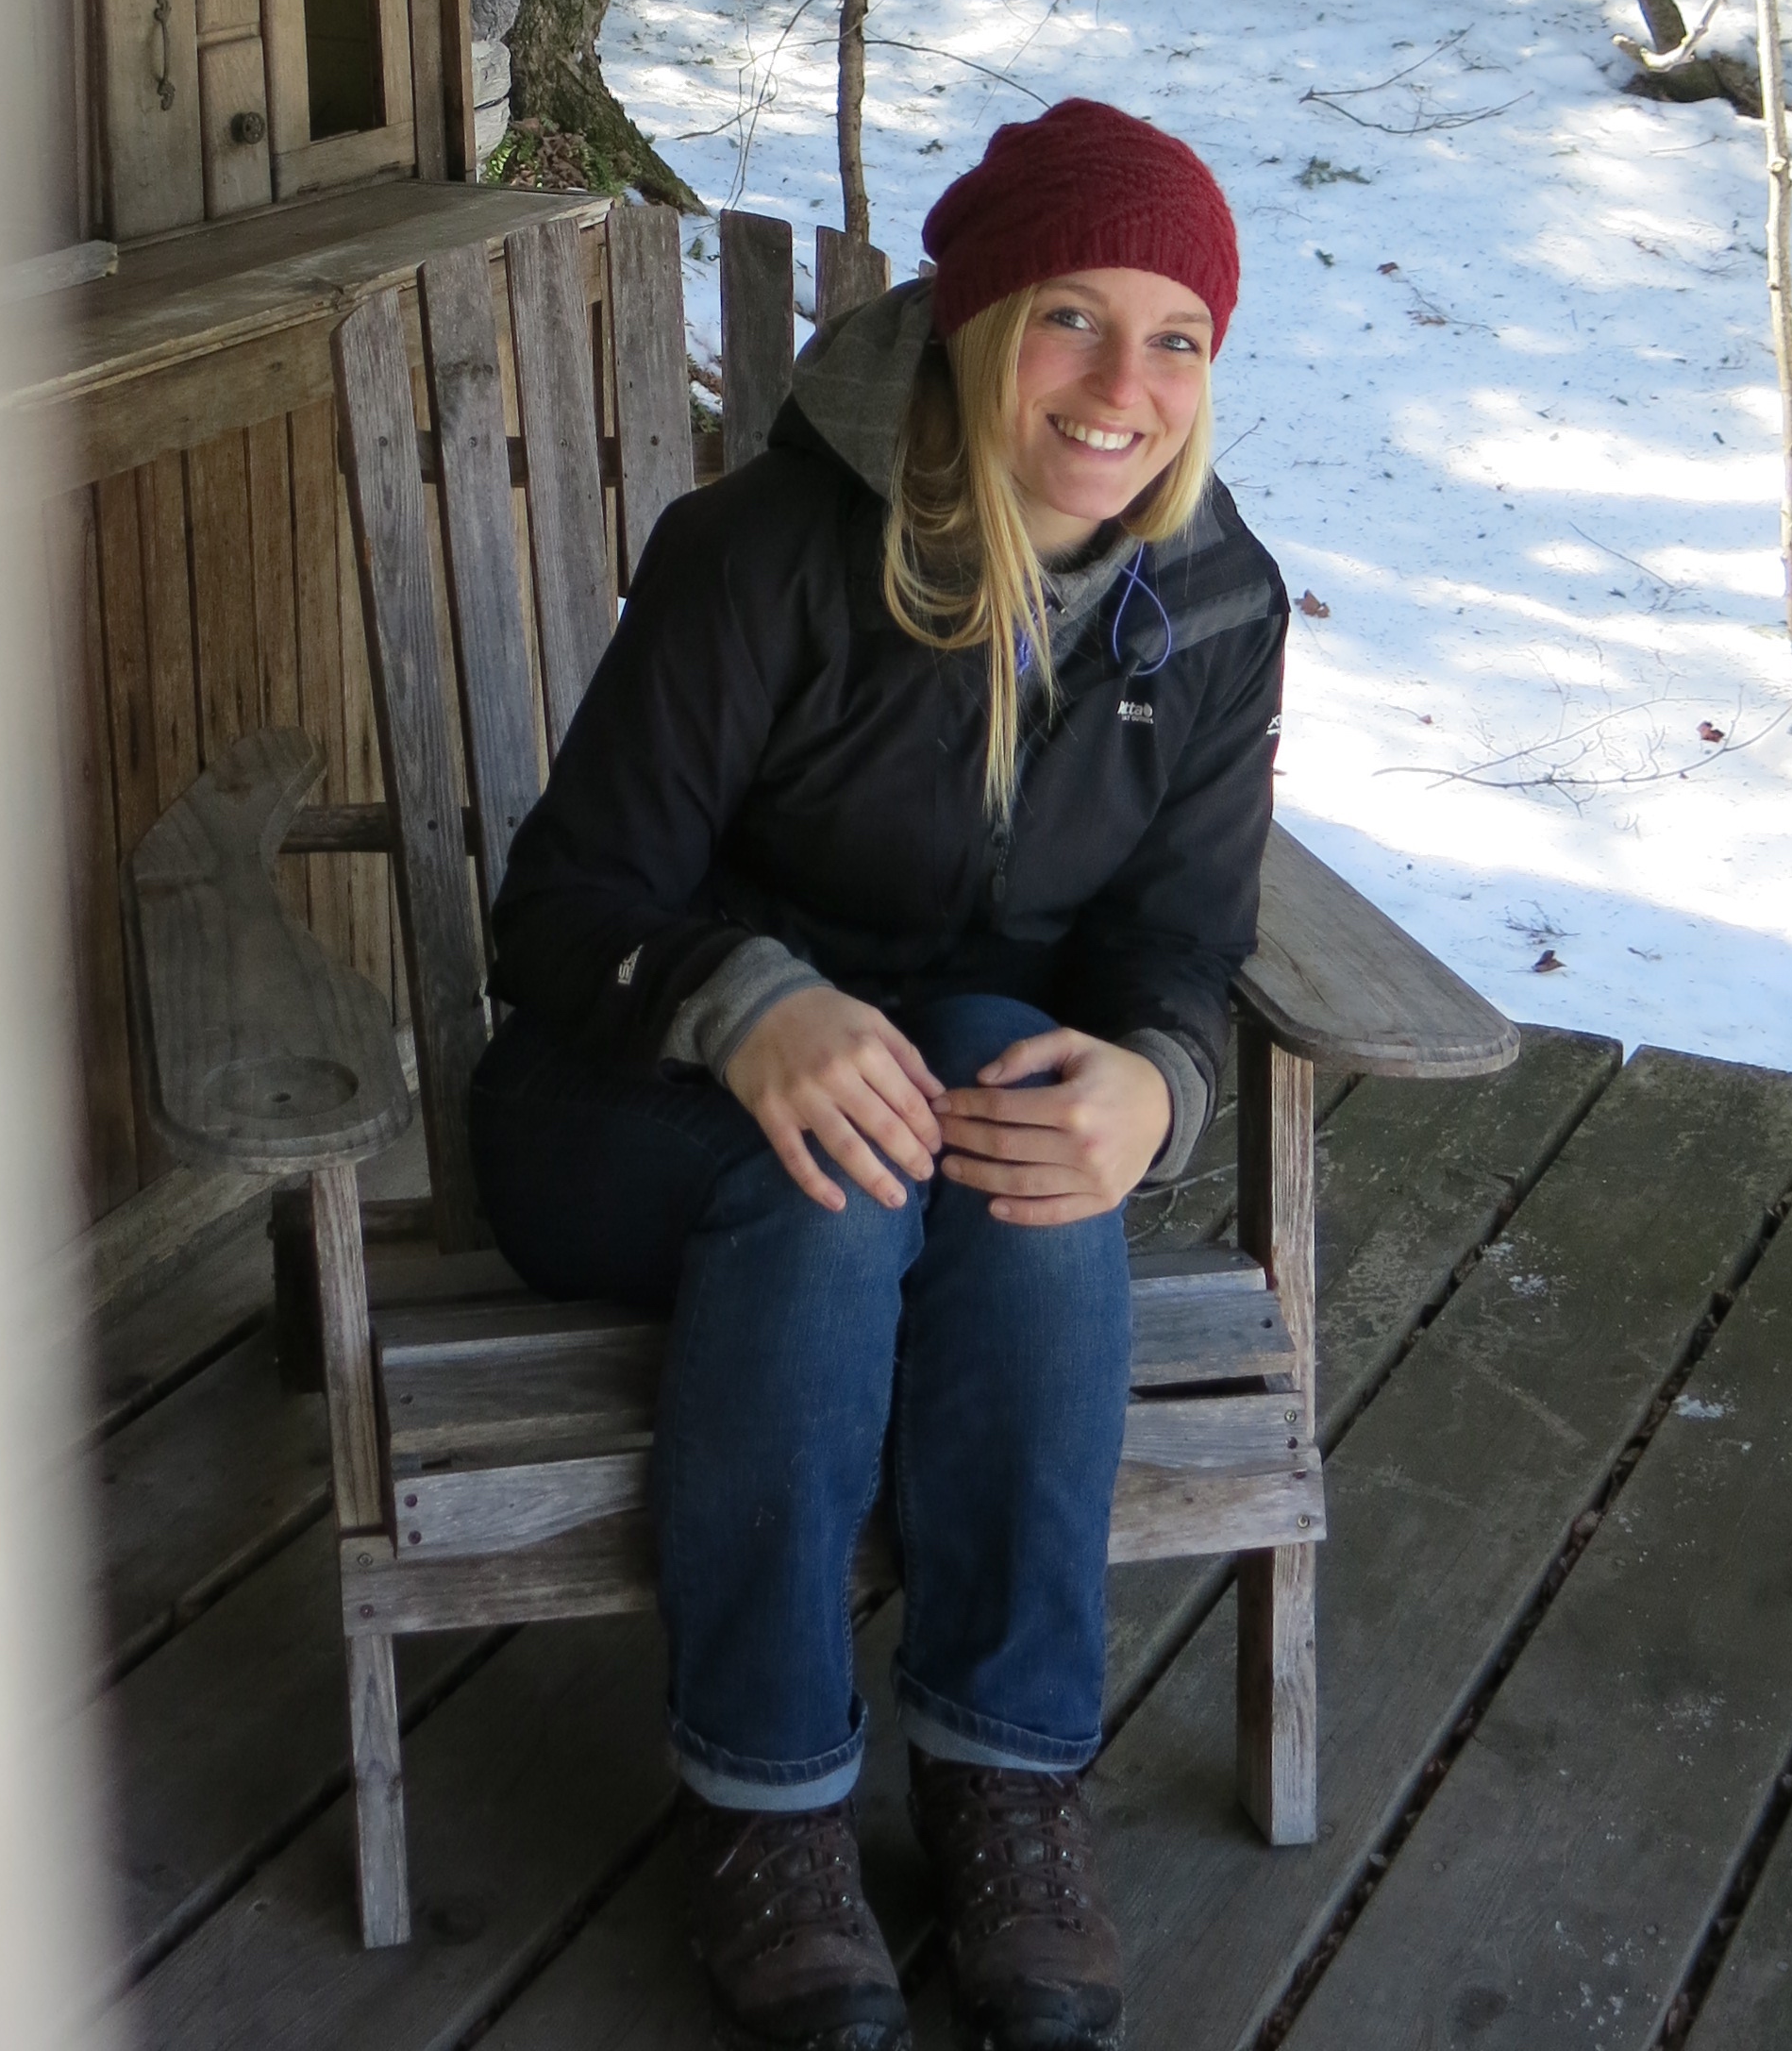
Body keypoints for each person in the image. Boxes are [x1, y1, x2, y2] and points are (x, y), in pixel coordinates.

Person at [473, 101, 1288, 2051]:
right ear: (975, 321)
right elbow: (563, 911)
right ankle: (765, 1799)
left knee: (1031, 1122)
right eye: (1074, 317)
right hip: (628, 1099)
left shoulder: (1215, 607)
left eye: (1177, 337)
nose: (1123, 385)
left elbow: (1177, 947)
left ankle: (1008, 1773)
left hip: (939, 1113)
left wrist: (1157, 1085)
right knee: (840, 1176)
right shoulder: (764, 556)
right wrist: (746, 997)